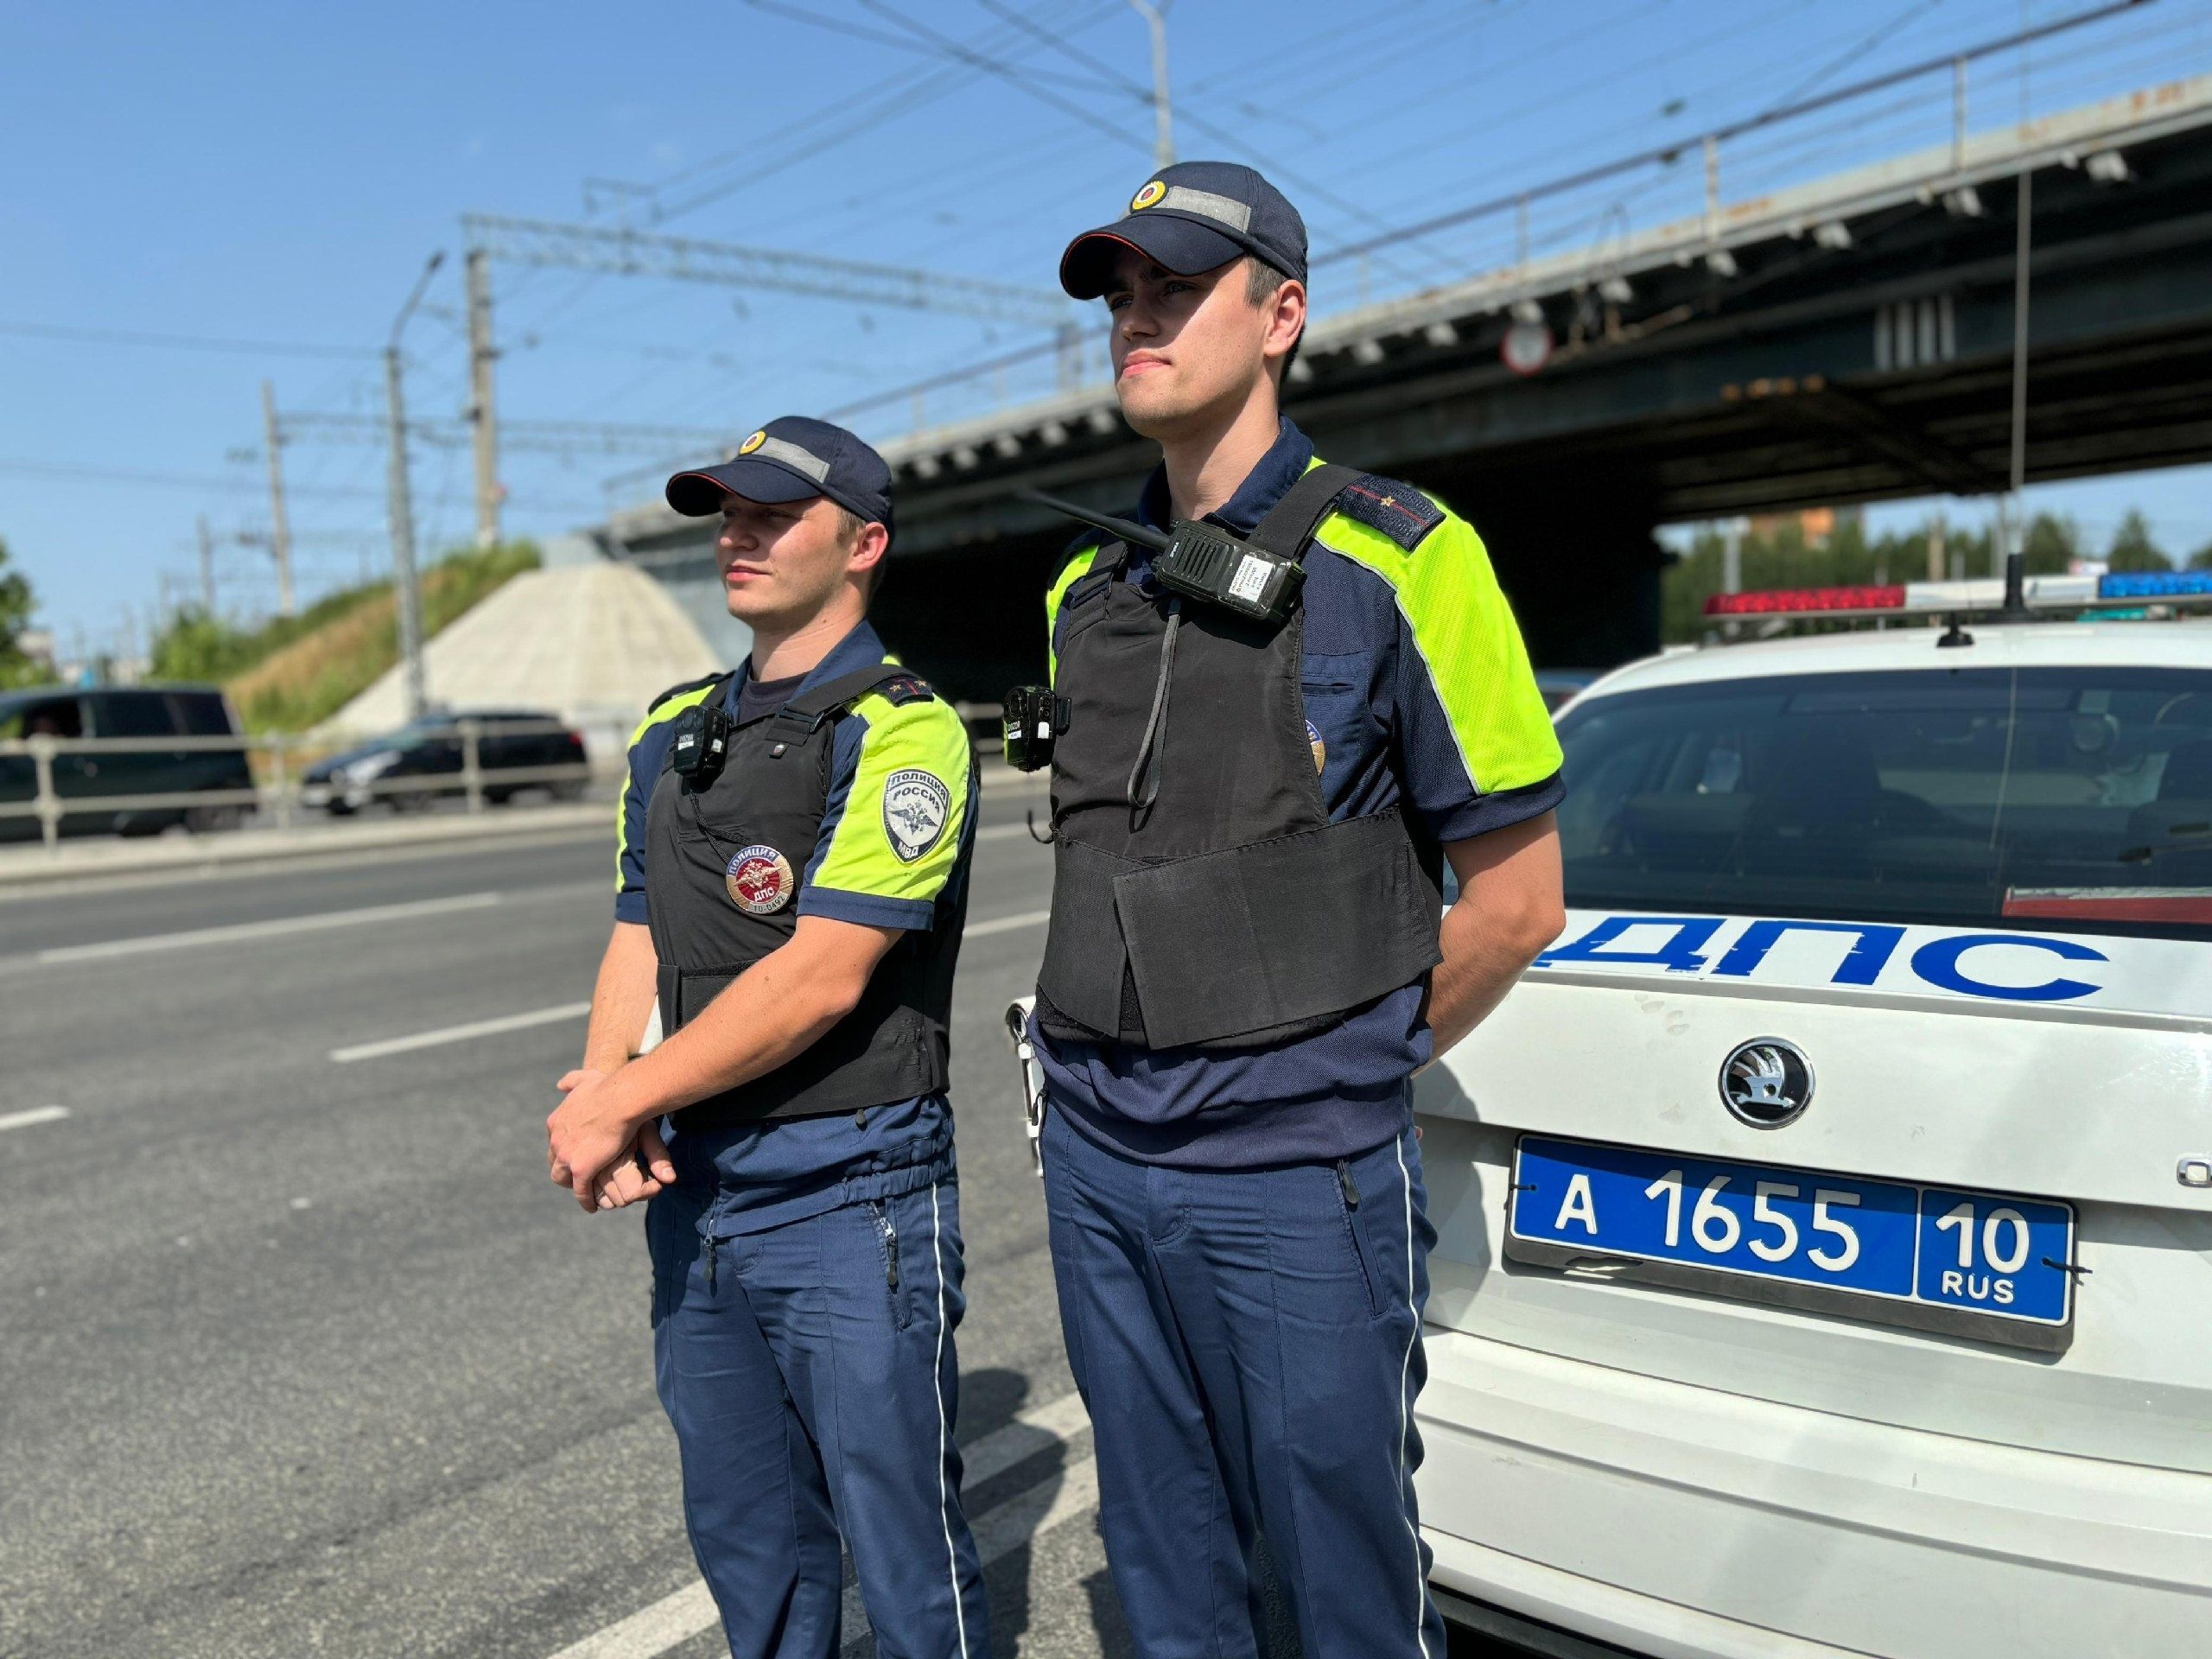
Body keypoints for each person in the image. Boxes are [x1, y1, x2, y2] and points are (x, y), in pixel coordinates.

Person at [1029, 162, 1567, 1657]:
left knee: (1338, 1575)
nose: (1138, 320)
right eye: (1121, 296)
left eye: (1175, 289)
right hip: (1097, 1166)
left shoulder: (1407, 558)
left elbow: (1518, 903)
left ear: (1283, 315)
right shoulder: (1087, 585)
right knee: (1161, 1557)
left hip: (1294, 1175)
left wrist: (1331, 1066)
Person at [546, 416, 989, 1659]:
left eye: (773, 514)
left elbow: (820, 980)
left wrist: (612, 1104)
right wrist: (616, 1087)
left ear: (864, 544)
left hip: (854, 1191)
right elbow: (639, 931)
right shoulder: (671, 729)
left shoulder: (904, 729)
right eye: (728, 512)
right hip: (704, 1192)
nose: (737, 534)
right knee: (753, 1544)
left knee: (902, 1553)